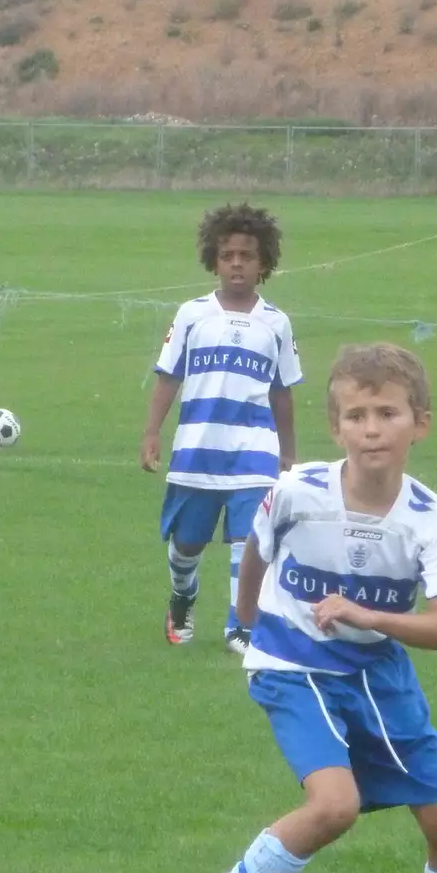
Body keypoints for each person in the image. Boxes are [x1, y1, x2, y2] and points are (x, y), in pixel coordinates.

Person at [166, 342, 437, 873]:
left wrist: (371, 618)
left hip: (376, 672)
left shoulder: (429, 517)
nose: (372, 428)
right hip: (293, 662)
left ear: (419, 423)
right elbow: (257, 549)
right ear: (335, 427)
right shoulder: (297, 491)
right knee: (335, 805)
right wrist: (251, 624)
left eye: (388, 413)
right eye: (358, 415)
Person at [141, 202, 302, 654]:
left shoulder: (276, 323)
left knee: (247, 537)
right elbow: (168, 377)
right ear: (214, 259)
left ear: (263, 263)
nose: (237, 263)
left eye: (247, 256)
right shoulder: (192, 314)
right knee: (187, 543)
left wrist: (288, 452)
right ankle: (182, 597)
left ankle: (241, 626)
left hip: (254, 449)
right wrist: (152, 432)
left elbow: (282, 391)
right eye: (228, 255)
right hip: (198, 448)